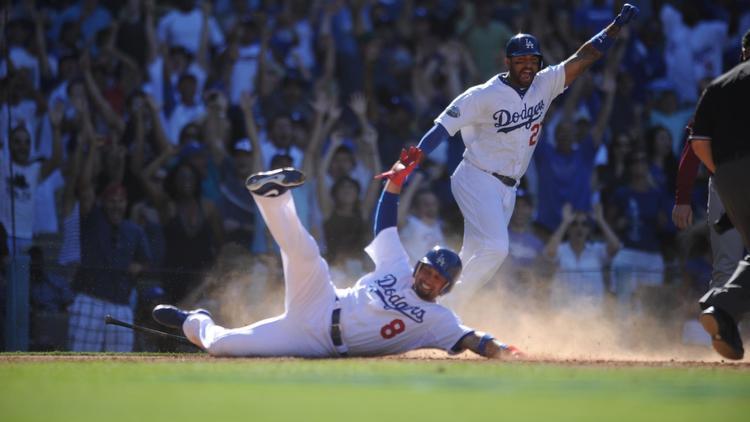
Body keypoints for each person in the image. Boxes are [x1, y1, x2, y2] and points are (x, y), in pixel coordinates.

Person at [151, 148, 521, 359]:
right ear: (421, 265)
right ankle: (272, 195)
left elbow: (473, 339)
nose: (428, 278)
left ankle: (192, 321)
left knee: (221, 345)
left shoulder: (438, 319)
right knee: (308, 256)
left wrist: (504, 351)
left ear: (445, 287)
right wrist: (394, 184)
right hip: (322, 303)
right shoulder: (397, 266)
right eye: (427, 269)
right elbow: (385, 225)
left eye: (438, 278)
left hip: (314, 341)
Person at [415, 4, 640, 306]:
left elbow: (585, 56)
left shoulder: (545, 84)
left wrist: (614, 28)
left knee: (475, 255)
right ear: (507, 61)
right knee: (496, 249)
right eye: (520, 60)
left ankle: (430, 302)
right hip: (477, 176)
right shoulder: (483, 94)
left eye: (532, 60)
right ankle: (445, 309)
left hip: (508, 187)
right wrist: (414, 158)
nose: (527, 66)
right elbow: (444, 126)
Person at [691, 29, 750, 361]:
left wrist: (728, 181)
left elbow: (699, 143)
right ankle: (724, 305)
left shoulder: (718, 85)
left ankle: (723, 305)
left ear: (744, 52)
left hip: (725, 174)